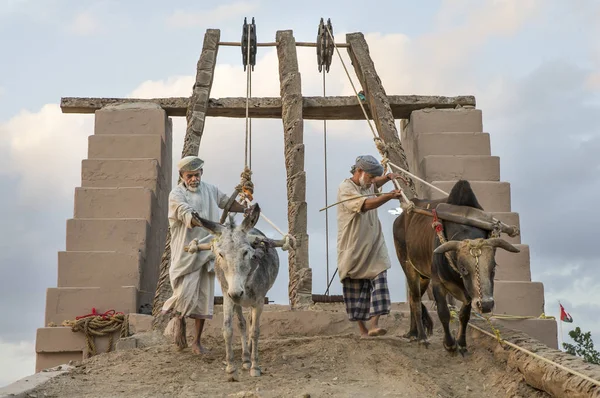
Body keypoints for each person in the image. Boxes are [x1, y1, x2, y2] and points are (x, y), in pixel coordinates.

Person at [161, 155, 247, 354]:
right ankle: (179, 325)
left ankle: (197, 342)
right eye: (189, 175)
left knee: (204, 299)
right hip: (186, 253)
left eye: (197, 174)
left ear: (202, 173)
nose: (194, 179)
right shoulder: (176, 195)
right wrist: (211, 226)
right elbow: (187, 214)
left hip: (209, 253)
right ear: (182, 176)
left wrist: (244, 209)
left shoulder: (210, 189)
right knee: (183, 296)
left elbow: (227, 203)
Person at [336, 155, 403, 338]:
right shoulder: (346, 188)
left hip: (373, 242)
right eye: (371, 177)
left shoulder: (367, 184)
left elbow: (375, 184)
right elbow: (365, 204)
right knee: (356, 286)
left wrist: (388, 178)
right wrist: (389, 196)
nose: (373, 181)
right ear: (359, 171)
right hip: (354, 246)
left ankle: (374, 324)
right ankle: (363, 330)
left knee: (380, 276)